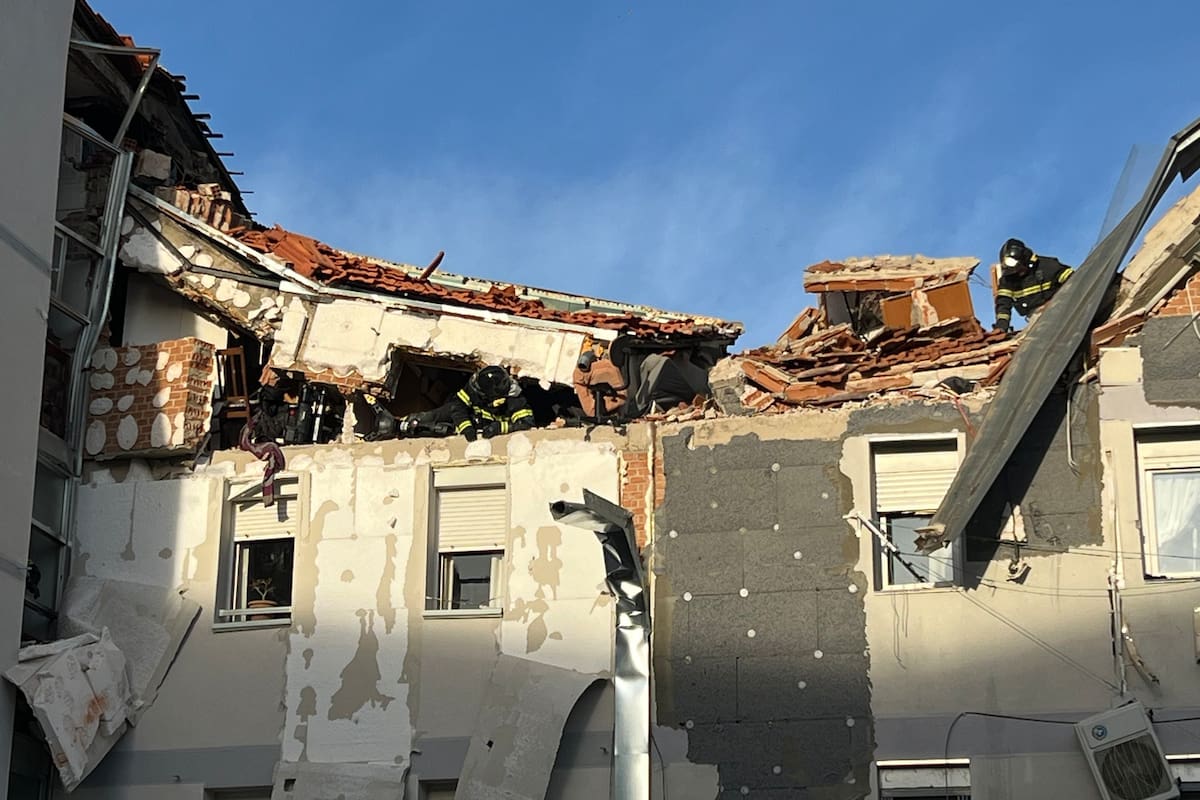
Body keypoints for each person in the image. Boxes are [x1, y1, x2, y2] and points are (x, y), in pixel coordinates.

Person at [993, 238, 1074, 333]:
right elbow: (1003, 303)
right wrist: (1001, 327)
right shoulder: (1008, 279)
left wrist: (1059, 302)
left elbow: (1075, 280)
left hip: (1063, 310)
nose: (1017, 273)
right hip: (1035, 319)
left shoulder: (1048, 266)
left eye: (1019, 269)